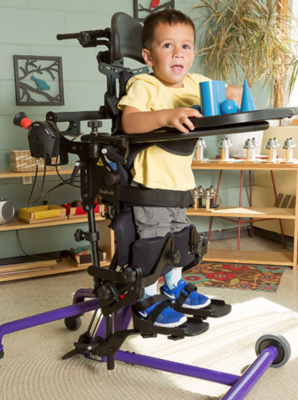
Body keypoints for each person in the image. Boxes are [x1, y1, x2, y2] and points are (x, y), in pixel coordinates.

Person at [118, 9, 242, 328]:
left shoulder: (196, 83)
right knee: (154, 244)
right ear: (148, 55)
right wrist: (165, 116)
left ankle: (173, 289)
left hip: (180, 185)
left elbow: (233, 95)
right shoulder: (144, 84)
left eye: (185, 46)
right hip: (150, 186)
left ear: (193, 54)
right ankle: (145, 296)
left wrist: (240, 99)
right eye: (167, 46)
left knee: (179, 241)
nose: (178, 53)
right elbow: (129, 121)